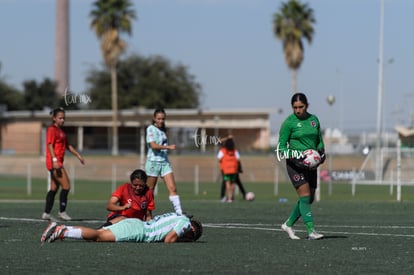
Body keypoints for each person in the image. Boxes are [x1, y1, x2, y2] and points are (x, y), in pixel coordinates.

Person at [277, 93, 326, 240]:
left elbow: (319, 141)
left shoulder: (314, 120)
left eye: (301, 107)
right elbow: (281, 148)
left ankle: (288, 224)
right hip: (295, 165)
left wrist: (322, 153)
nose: (298, 110)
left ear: (307, 105)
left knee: (309, 199)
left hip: (311, 165)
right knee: (304, 196)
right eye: (295, 107)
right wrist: (295, 158)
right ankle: (311, 231)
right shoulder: (288, 123)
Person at [40, 212, 202, 243]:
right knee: (98, 236)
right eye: (190, 237)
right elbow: (168, 240)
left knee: (97, 236)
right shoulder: (185, 223)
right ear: (191, 231)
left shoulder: (176, 215)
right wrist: (182, 240)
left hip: (134, 224)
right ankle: (64, 230)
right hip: (139, 231)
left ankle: (60, 229)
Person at [42, 107, 85, 221]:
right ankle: (62, 212)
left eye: (63, 118)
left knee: (54, 188)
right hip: (55, 163)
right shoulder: (52, 129)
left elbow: (68, 146)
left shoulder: (61, 131)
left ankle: (46, 213)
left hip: (58, 162)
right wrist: (55, 160)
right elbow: (50, 145)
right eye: (60, 118)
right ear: (54, 118)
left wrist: (78, 155)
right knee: (66, 186)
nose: (62, 120)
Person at [145, 108, 183, 215]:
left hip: (164, 162)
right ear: (154, 119)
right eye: (159, 118)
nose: (161, 121)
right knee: (150, 190)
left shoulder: (164, 130)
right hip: (153, 162)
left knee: (173, 188)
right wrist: (168, 147)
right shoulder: (150, 129)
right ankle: (147, 214)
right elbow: (153, 146)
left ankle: (179, 213)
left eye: (163, 119)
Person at [219, 135, 247, 201]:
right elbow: (238, 159)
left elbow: (219, 158)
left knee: (227, 183)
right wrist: (239, 168)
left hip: (226, 170)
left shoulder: (223, 151)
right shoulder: (235, 151)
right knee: (234, 183)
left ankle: (228, 197)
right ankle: (232, 197)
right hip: (234, 169)